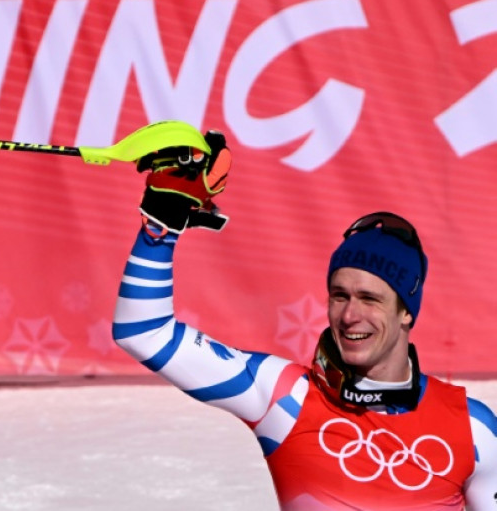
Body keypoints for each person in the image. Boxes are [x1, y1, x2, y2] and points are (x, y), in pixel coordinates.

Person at [113, 129, 497, 510]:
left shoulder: (473, 429)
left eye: (370, 299)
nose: (349, 315)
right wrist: (158, 228)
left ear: (407, 312)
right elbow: (144, 333)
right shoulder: (284, 396)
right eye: (339, 295)